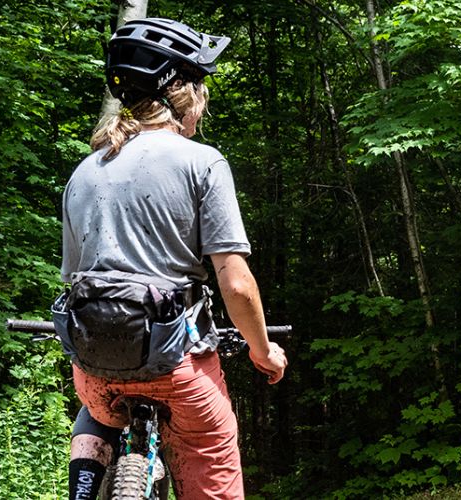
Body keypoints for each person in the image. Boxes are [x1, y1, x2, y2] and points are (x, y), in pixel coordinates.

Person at [60, 17, 288, 500]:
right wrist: (263, 349)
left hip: (94, 370)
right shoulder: (200, 161)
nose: (203, 100)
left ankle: (82, 486)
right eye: (200, 84)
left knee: (97, 410)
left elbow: (76, 279)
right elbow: (237, 283)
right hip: (176, 371)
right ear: (179, 89)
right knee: (213, 449)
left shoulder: (83, 171)